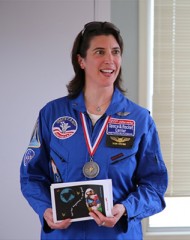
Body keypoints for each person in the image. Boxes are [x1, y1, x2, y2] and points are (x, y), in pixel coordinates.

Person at [20, 21, 168, 240]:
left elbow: (155, 186)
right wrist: (45, 209)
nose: (110, 60)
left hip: (116, 235)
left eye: (115, 52)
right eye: (100, 52)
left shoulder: (140, 120)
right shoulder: (51, 114)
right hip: (64, 236)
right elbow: (31, 175)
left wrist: (126, 208)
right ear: (81, 60)